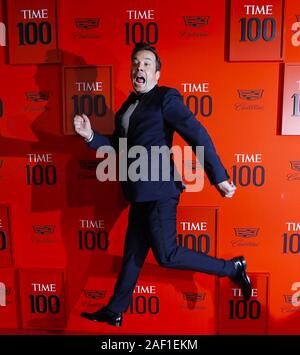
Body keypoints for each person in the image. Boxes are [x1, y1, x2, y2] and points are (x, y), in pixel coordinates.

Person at [73, 42, 252, 327]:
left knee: (167, 255)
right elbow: (118, 146)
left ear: (156, 74)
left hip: (159, 191)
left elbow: (198, 135)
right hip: (137, 194)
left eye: (146, 63)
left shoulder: (165, 98)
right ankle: (115, 310)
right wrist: (90, 135)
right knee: (132, 255)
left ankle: (233, 267)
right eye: (135, 62)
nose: (139, 67)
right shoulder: (126, 109)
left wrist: (217, 175)